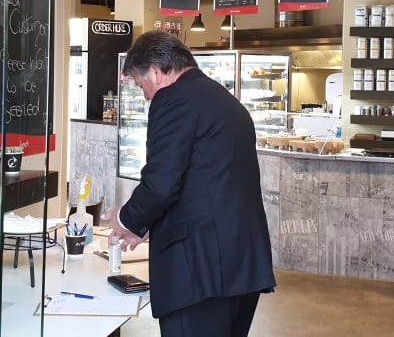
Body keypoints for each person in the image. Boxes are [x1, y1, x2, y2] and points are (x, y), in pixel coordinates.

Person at [106, 31, 276, 337]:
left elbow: (161, 181)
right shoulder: (223, 99)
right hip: (241, 265)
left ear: (156, 73)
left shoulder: (173, 100)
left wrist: (124, 219)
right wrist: (146, 225)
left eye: (141, 85)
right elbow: (202, 182)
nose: (145, 95)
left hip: (200, 272)